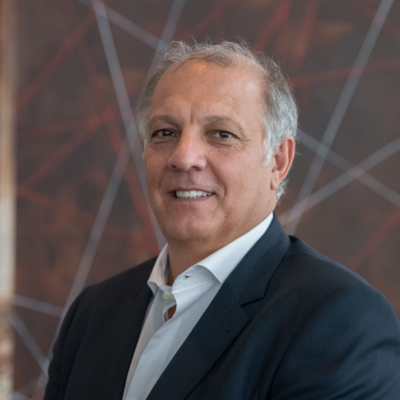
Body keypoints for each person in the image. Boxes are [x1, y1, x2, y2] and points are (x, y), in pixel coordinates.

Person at [44, 41, 400, 400]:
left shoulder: (341, 320)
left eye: (221, 134)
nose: (184, 157)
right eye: (165, 132)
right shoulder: (92, 315)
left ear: (278, 161)